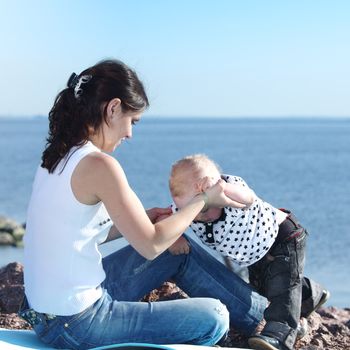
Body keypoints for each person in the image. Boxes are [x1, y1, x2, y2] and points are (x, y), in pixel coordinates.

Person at [19, 60, 267, 350]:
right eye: (132, 121)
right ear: (113, 108)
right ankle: (270, 320)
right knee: (214, 317)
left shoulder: (57, 155)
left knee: (177, 251)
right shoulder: (99, 164)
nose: (130, 134)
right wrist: (202, 200)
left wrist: (143, 219)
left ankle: (265, 318)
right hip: (76, 324)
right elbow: (151, 245)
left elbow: (76, 231)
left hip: (46, 312)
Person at [169, 154, 330, 350]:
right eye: (198, 207)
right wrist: (175, 237)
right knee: (264, 287)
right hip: (253, 253)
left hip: (282, 236)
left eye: (208, 201)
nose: (204, 211)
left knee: (281, 291)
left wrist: (222, 188)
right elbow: (165, 223)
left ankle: (279, 335)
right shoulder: (181, 210)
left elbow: (249, 197)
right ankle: (309, 293)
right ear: (178, 202)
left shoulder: (231, 188)